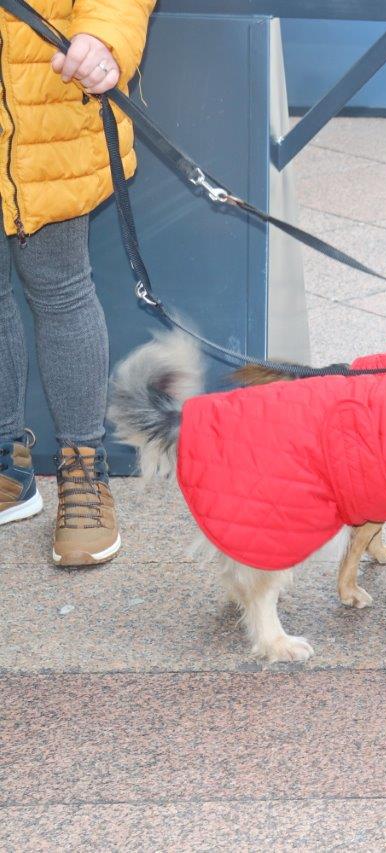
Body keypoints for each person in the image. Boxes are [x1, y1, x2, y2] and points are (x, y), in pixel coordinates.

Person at [0, 0, 154, 566]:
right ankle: (6, 468)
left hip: (49, 120)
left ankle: (83, 473)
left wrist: (104, 40)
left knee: (60, 291)